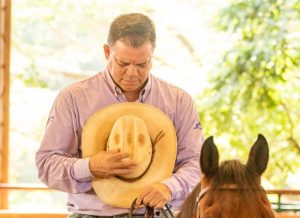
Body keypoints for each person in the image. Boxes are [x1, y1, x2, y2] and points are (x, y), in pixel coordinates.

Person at [36, 13, 204, 217]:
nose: (132, 73)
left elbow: (197, 162)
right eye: (123, 64)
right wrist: (90, 167)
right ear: (107, 52)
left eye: (142, 64)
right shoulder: (73, 98)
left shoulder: (178, 101)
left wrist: (170, 187)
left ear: (152, 55)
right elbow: (46, 165)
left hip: (157, 214)